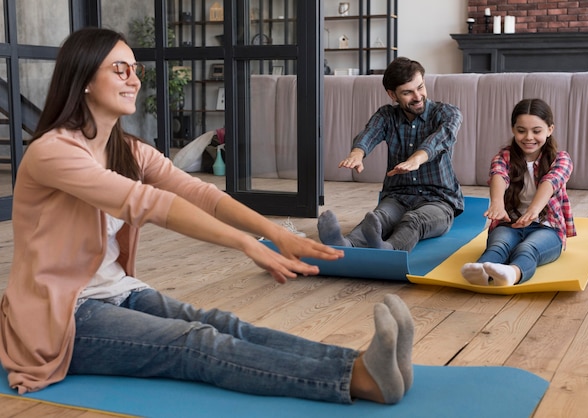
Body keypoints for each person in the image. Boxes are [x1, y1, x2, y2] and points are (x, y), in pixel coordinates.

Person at [0, 28, 416, 405]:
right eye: (120, 68)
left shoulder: (126, 150)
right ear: (85, 79)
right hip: (64, 317)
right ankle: (356, 380)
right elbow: (149, 204)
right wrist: (247, 245)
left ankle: (366, 363)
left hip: (118, 290)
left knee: (218, 321)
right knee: (194, 342)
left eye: (135, 68)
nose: (134, 78)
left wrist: (276, 233)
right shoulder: (54, 151)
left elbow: (200, 193)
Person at [317, 57, 464, 251]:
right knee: (379, 218)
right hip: (398, 196)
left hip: (438, 200)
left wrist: (416, 159)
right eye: (407, 92)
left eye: (420, 87)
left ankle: (388, 249)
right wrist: (357, 154)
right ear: (392, 95)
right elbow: (370, 133)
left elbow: (440, 139)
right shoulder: (387, 115)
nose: (418, 96)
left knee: (414, 220)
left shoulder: (447, 113)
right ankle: (345, 244)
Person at [461, 98, 576, 286]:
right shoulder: (503, 156)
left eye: (536, 131)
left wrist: (533, 210)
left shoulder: (561, 158)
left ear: (550, 130)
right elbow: (498, 175)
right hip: (510, 223)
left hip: (547, 226)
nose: (529, 137)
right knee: (498, 246)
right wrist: (497, 204)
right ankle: (480, 270)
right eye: (521, 131)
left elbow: (551, 181)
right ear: (513, 130)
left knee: (527, 248)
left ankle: (512, 274)